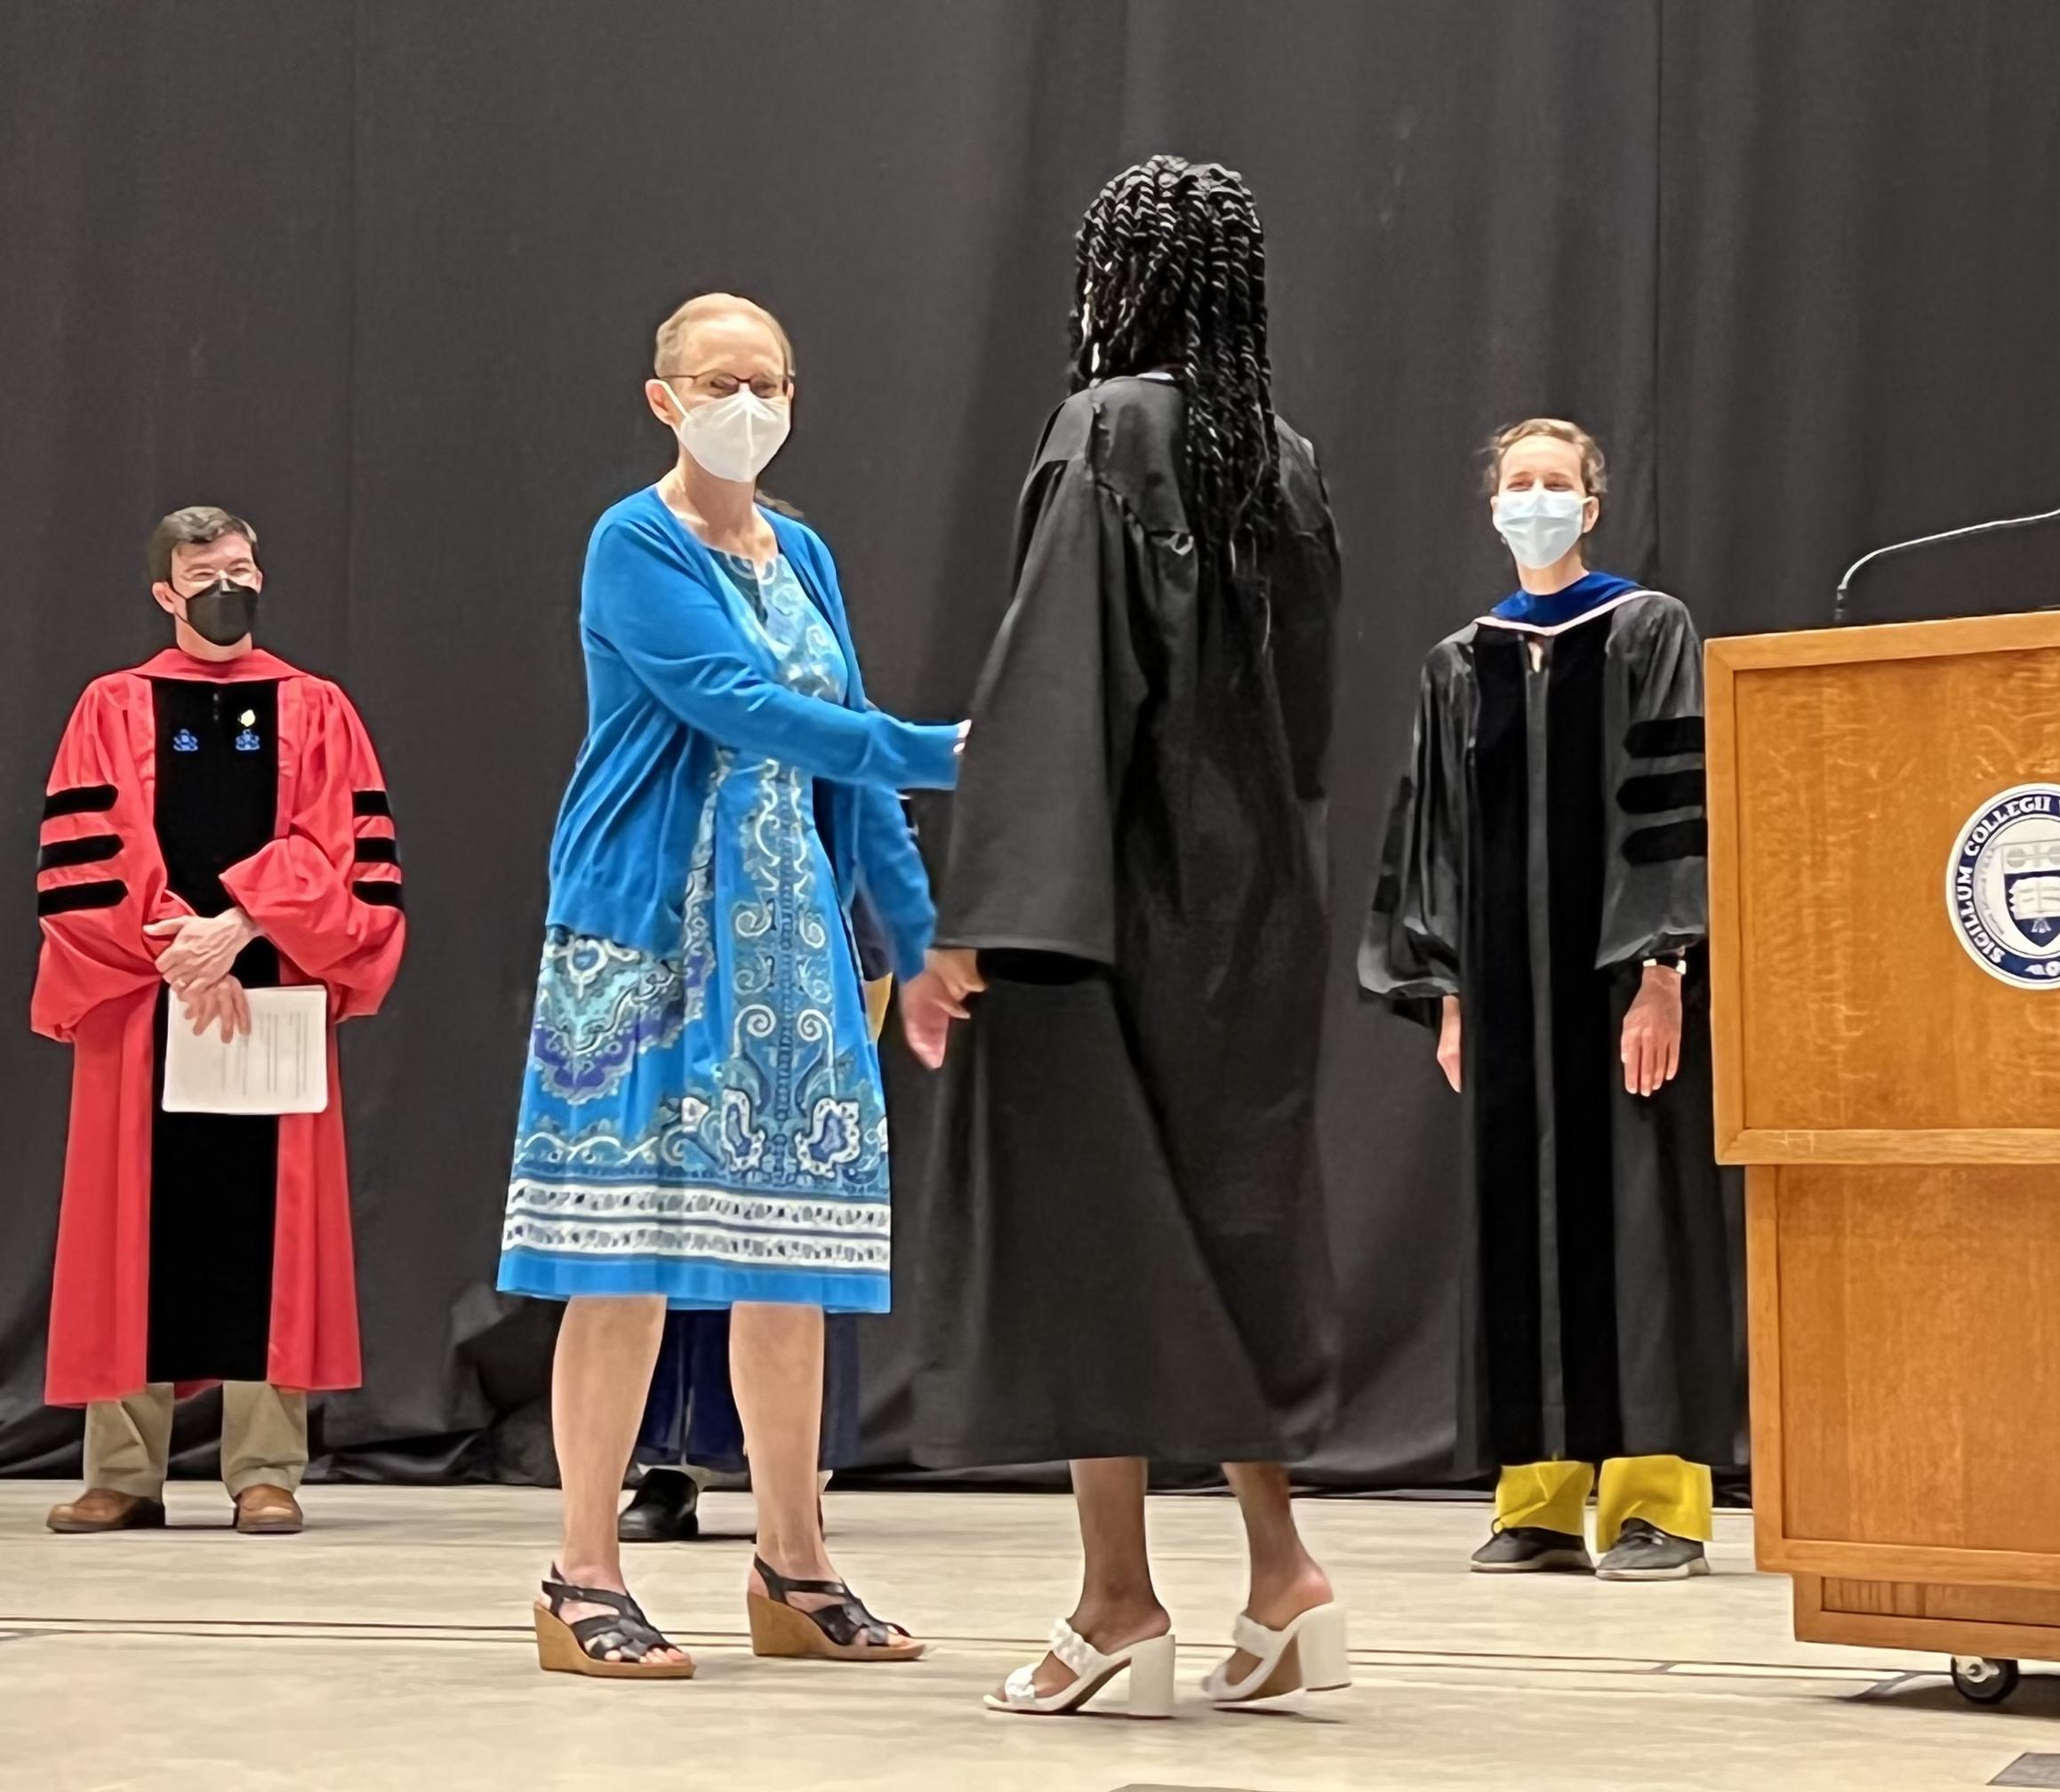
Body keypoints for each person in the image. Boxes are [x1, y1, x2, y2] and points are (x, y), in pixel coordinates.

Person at [904, 155, 1347, 1717]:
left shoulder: (1106, 435)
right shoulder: (1276, 458)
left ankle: (1116, 1605)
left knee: (1100, 1239)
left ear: (1121, 282)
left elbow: (1058, 685)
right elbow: (1302, 717)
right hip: (1261, 906)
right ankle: (1286, 1579)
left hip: (1112, 903)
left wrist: (985, 913)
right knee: (1227, 1235)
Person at [494, 293, 964, 1679]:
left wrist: (920, 941)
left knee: (791, 1264)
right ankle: (581, 1571)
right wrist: (947, 746)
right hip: (646, 942)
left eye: (766, 380)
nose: (743, 401)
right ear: (663, 398)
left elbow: (848, 766)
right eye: (718, 379)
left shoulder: (804, 551)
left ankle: (795, 1566)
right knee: (619, 1254)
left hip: (791, 954)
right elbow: (736, 703)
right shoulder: (632, 541)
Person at [1361, 419, 1735, 1583]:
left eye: (1556, 483)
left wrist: (1663, 970)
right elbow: (1429, 838)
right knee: (1518, 1224)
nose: (1536, 498)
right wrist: (1450, 995)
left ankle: (1657, 1498)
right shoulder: (1457, 661)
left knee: (1637, 1229)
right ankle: (1537, 1494)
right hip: (1509, 998)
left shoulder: (1647, 629)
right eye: (1519, 483)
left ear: (1592, 505)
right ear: (1493, 508)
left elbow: (1676, 812)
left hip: (1621, 987)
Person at [34, 505, 405, 1537]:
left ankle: (265, 1469)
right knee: (130, 1229)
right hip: (144, 1001)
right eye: (204, 574)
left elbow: (350, 860)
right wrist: (179, 948)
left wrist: (240, 926)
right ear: (166, 592)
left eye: (240, 566)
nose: (226, 586)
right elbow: (83, 860)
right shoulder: (111, 705)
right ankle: (123, 1471)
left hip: (269, 991)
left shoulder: (316, 707)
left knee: (268, 1231)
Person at [620, 897, 892, 1543]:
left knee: (795, 1252)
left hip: (805, 975)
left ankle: (798, 1484)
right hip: (684, 977)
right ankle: (671, 1466)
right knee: (681, 1248)